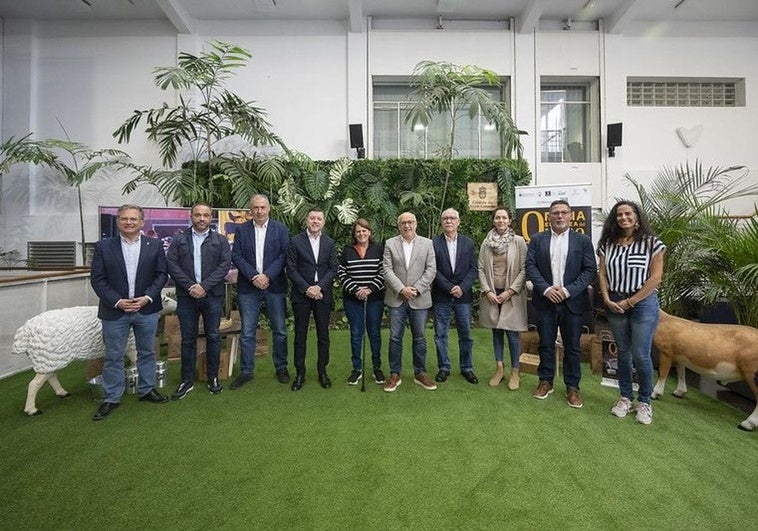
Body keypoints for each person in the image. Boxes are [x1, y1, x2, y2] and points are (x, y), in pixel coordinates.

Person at [90, 204, 169, 421]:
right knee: (114, 356)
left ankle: (147, 390)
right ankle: (112, 397)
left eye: (134, 219)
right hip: (115, 311)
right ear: (118, 222)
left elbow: (161, 275)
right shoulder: (104, 247)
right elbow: (97, 279)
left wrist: (147, 298)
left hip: (147, 308)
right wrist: (118, 302)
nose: (129, 222)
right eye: (124, 219)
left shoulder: (154, 245)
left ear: (142, 222)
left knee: (147, 352)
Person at [597, 200, 665, 425]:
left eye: (628, 214)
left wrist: (631, 301)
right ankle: (625, 397)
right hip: (615, 301)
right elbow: (603, 274)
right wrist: (607, 298)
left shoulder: (651, 243)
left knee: (641, 354)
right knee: (623, 353)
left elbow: (655, 277)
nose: (623, 218)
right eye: (619, 215)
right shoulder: (608, 243)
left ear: (637, 216)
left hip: (642, 303)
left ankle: (644, 402)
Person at [525, 199, 596, 408]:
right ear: (549, 216)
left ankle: (573, 387)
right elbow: (530, 266)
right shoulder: (537, 240)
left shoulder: (582, 241)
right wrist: (546, 289)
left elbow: (590, 270)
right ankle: (545, 382)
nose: (560, 216)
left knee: (572, 347)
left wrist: (566, 291)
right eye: (555, 212)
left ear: (571, 216)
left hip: (572, 302)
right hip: (545, 301)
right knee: (545, 344)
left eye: (564, 212)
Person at [166, 203, 232, 399]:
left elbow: (224, 266)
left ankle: (213, 377)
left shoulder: (220, 240)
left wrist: (204, 286)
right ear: (191, 216)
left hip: (212, 296)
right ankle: (186, 380)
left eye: (205, 215)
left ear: (210, 217)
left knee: (213, 336)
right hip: (187, 297)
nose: (201, 218)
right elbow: (172, 264)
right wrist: (190, 286)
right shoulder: (179, 239)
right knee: (187, 339)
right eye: (197, 215)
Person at [230, 194, 290, 389]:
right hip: (249, 286)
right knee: (248, 332)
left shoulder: (280, 229)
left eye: (263, 207)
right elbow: (236, 256)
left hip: (275, 286)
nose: (259, 211)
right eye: (255, 207)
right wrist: (255, 276)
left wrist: (268, 276)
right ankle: (246, 371)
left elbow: (284, 256)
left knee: (279, 330)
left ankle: (281, 367)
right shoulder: (241, 230)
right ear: (250, 210)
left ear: (269, 208)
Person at [382, 212, 437, 392]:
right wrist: (402, 289)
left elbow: (431, 269)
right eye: (403, 223)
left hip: (419, 298)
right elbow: (387, 270)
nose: (407, 226)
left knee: (419, 337)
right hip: (397, 298)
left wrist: (416, 289)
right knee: (395, 337)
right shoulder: (390, 243)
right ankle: (395, 374)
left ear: (416, 224)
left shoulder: (427, 243)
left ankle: (420, 373)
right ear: (398, 225)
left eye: (410, 222)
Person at [287, 208, 338, 391]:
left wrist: (319, 287)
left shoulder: (330, 243)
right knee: (300, 335)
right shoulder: (295, 241)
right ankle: (300, 373)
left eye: (319, 218)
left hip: (322, 294)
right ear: (307, 220)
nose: (315, 221)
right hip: (302, 295)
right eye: (312, 218)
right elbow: (291, 268)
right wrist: (307, 288)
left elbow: (333, 268)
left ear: (324, 222)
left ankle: (322, 371)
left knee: (323, 335)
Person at [478, 206, 528, 390]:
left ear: (509, 220)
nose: (500, 221)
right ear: (493, 220)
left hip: (511, 294)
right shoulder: (486, 242)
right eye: (497, 218)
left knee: (513, 333)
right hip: (492, 293)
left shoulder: (519, 241)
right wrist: (488, 291)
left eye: (504, 218)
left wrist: (510, 291)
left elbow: (524, 269)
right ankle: (499, 368)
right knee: (496, 332)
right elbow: (481, 269)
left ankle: (515, 371)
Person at [431, 208, 479, 384]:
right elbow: (432, 269)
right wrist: (450, 287)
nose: (449, 221)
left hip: (463, 297)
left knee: (465, 334)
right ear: (441, 222)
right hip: (441, 296)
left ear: (458, 221)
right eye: (445, 218)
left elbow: (473, 268)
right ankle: (444, 367)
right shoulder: (434, 243)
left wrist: (462, 287)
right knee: (440, 334)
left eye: (452, 218)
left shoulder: (468, 243)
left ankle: (467, 368)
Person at [337, 219, 386, 386]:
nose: (361, 234)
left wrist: (370, 289)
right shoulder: (347, 250)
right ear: (354, 234)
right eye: (358, 231)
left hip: (374, 299)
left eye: (364, 231)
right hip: (353, 299)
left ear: (370, 232)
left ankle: (376, 368)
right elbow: (342, 273)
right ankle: (357, 369)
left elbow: (383, 272)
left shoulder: (379, 249)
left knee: (374, 334)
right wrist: (356, 290)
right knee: (356, 334)